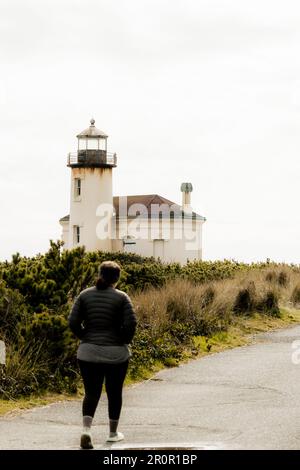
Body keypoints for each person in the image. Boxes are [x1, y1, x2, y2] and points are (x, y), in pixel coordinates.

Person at [69, 261, 137, 450]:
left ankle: (86, 431)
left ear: (99, 274)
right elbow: (131, 324)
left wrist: (85, 337)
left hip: (88, 352)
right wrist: (123, 340)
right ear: (117, 278)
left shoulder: (84, 295)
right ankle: (113, 434)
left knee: (91, 393)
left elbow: (72, 321)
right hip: (116, 353)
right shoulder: (122, 298)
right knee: (114, 393)